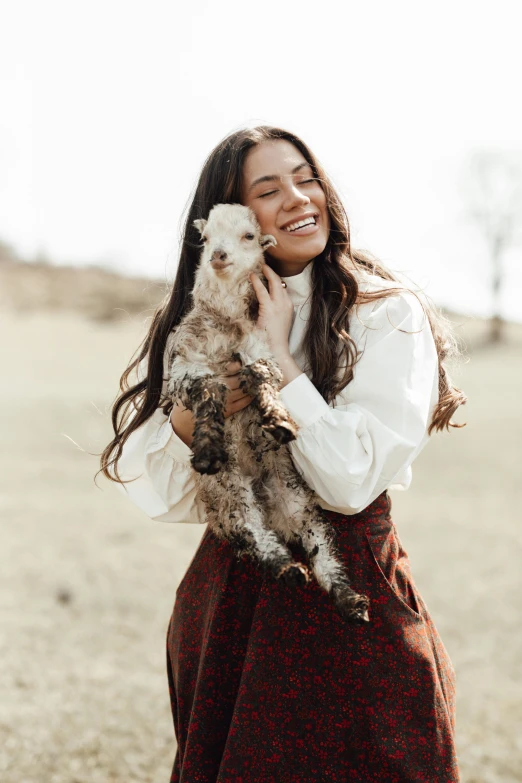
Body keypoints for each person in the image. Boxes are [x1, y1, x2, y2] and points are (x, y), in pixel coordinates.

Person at [100, 126, 466, 782]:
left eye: (306, 177)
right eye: (269, 189)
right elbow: (165, 490)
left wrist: (283, 361)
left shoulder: (386, 314)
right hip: (230, 612)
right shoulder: (203, 322)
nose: (300, 198)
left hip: (353, 604)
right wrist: (194, 416)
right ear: (234, 220)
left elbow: (349, 481)